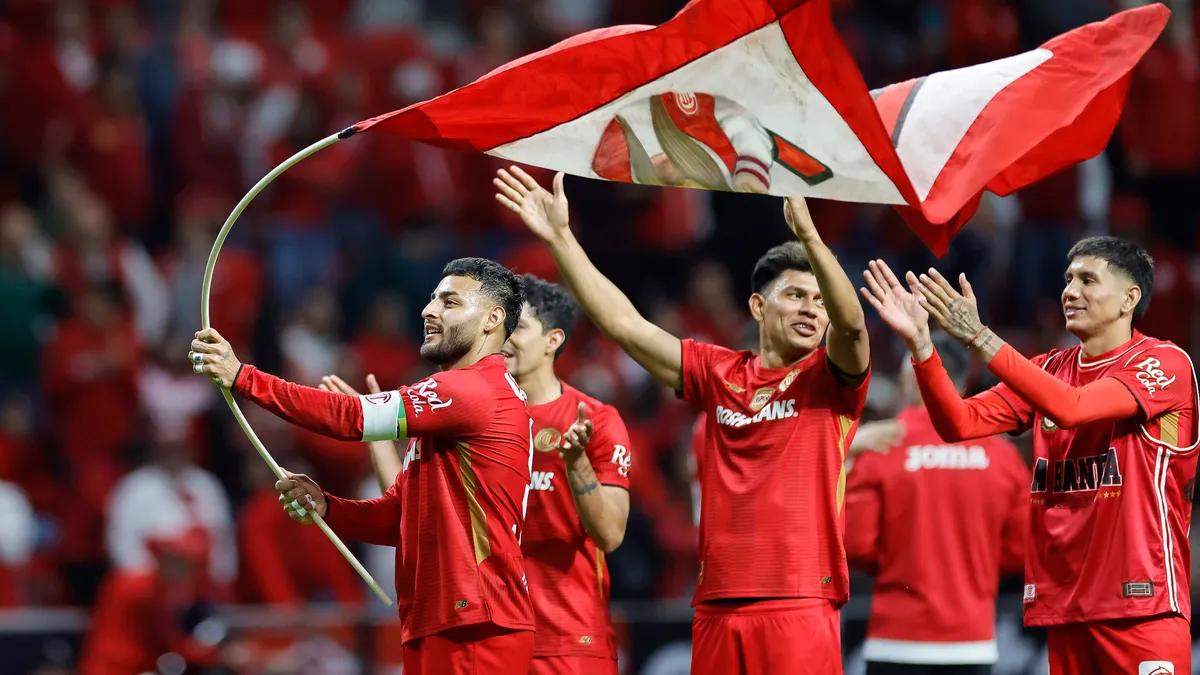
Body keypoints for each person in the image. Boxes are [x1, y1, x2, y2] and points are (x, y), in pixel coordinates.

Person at [495, 167, 871, 674]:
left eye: (820, 301)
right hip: (715, 606)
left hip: (799, 602)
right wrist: (561, 238)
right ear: (759, 306)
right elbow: (626, 326)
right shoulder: (718, 374)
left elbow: (851, 324)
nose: (812, 310)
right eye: (797, 295)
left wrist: (808, 237)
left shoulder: (831, 382)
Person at [859, 237, 1198, 675]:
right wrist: (922, 346)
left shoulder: (1163, 362)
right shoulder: (1048, 369)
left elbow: (1072, 408)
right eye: (1068, 279)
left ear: (1129, 298)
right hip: (1067, 610)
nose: (1070, 291)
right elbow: (958, 423)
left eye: (1088, 280)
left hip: (1142, 609)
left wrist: (981, 336)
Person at [188, 257, 537, 675]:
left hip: (476, 621)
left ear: (491, 319)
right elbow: (398, 519)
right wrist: (328, 507)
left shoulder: (475, 390)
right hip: (444, 618)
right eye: (431, 300)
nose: (428, 311)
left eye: (450, 302)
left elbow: (351, 418)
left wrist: (243, 376)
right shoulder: (453, 411)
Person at [325, 274, 634, 675]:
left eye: (518, 328)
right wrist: (378, 436)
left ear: (553, 341)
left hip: (567, 640)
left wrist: (575, 464)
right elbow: (418, 515)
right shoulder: (465, 411)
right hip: (483, 628)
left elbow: (610, 535)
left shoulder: (594, 421)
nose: (503, 339)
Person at [843, 335, 1029, 675]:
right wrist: (974, 563)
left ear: (909, 379)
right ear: (964, 380)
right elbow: (1020, 548)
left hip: (895, 638)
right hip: (971, 642)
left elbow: (855, 543)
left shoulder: (882, 446)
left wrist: (900, 561)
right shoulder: (1003, 457)